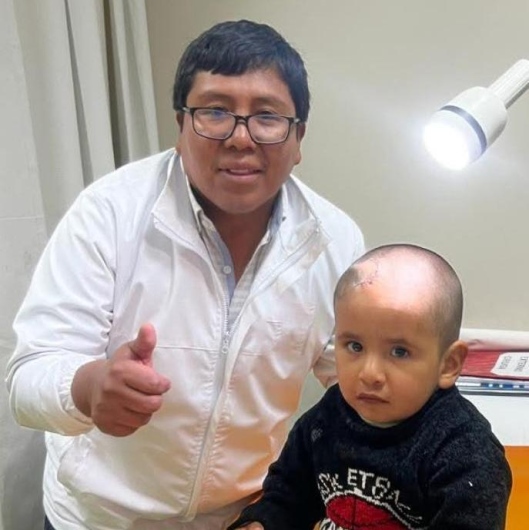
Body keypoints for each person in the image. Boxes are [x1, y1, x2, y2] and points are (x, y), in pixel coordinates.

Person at [5, 19, 365, 530]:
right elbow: (27, 379)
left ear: (298, 136)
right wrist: (89, 387)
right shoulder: (109, 213)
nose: (240, 138)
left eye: (267, 116)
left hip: (242, 519)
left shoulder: (334, 239)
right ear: (180, 125)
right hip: (97, 520)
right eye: (215, 111)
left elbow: (356, 380)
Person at [228, 243, 512, 530]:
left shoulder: (466, 454)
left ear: (448, 364)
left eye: (399, 352)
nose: (370, 374)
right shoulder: (328, 418)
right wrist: (262, 523)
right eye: (355, 346)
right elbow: (287, 497)